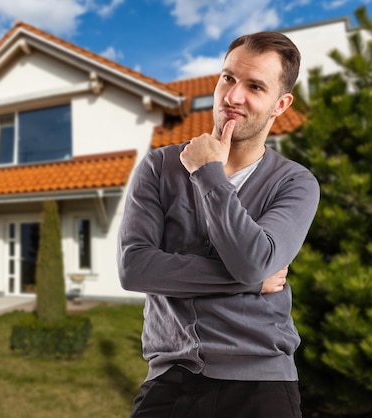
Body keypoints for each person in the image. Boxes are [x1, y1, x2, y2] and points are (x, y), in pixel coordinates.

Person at [117, 31, 320, 418]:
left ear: (280, 104)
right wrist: (250, 281)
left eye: (255, 86)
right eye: (228, 78)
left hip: (262, 381)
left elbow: (253, 260)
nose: (233, 97)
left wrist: (209, 173)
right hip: (171, 377)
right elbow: (134, 268)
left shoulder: (295, 183)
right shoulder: (159, 167)